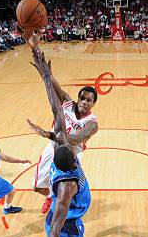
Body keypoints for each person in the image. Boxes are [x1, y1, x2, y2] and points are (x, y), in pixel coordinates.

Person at [30, 48, 91, 237]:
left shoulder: (60, 156)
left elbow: (55, 106)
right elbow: (55, 229)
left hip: (61, 218)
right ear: (75, 162)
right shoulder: (68, 185)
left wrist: (46, 76)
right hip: (64, 226)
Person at [26, 33, 98, 214]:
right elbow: (49, 79)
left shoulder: (92, 122)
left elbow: (75, 139)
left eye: (89, 100)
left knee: (67, 189)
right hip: (52, 147)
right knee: (37, 187)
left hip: (72, 153)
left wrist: (51, 133)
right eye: (82, 97)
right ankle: (49, 197)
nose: (84, 101)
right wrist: (35, 48)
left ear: (93, 104)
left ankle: (63, 205)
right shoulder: (66, 101)